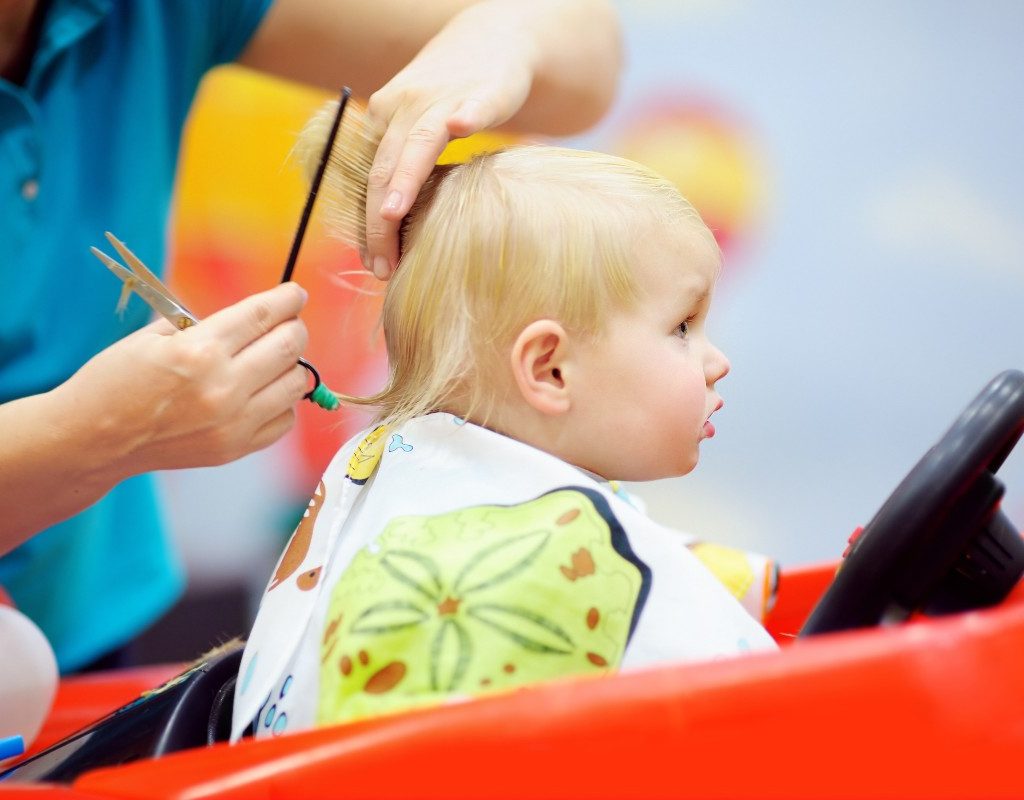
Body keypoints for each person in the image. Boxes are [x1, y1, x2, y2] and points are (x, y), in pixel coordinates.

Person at [0, 0, 622, 672]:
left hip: (88, 625)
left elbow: (580, 42)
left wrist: (497, 37)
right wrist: (93, 435)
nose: (714, 366)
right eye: (678, 326)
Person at [230, 106, 778, 740]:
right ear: (549, 370)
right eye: (682, 327)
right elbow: (763, 721)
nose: (718, 362)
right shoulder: (539, 552)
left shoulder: (424, 482)